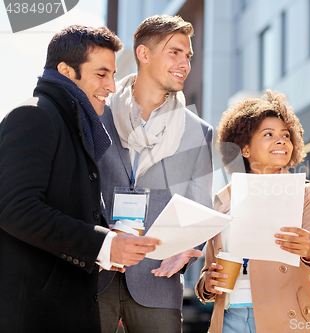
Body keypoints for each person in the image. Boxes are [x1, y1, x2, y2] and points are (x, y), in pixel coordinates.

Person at [0, 25, 161, 333]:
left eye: (113, 75)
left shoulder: (73, 126)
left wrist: (109, 237)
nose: (111, 86)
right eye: (101, 74)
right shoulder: (33, 116)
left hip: (65, 308)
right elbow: (15, 208)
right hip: (33, 315)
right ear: (65, 70)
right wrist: (103, 244)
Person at [97, 15, 213, 333]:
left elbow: (199, 207)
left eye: (188, 56)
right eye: (174, 52)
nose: (184, 63)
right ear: (144, 54)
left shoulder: (197, 132)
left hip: (157, 280)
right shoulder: (98, 114)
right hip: (95, 274)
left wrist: (191, 251)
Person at [196, 90, 310, 333]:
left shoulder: (306, 194)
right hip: (229, 320)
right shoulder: (223, 199)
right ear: (244, 149)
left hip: (287, 318)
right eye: (269, 134)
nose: (281, 141)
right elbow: (209, 269)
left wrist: (309, 249)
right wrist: (207, 283)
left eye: (286, 135)